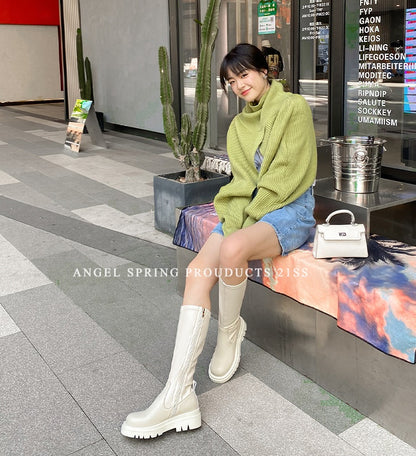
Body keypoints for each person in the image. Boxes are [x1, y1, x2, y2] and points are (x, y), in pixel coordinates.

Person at [121, 43, 317, 439]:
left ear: (265, 72)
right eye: (231, 80)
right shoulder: (239, 126)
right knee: (197, 271)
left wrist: (238, 227)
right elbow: (241, 184)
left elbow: (283, 180)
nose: (239, 84)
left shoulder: (293, 108)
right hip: (247, 208)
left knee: (231, 247)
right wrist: (234, 219)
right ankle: (178, 394)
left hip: (290, 208)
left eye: (245, 74)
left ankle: (229, 331)